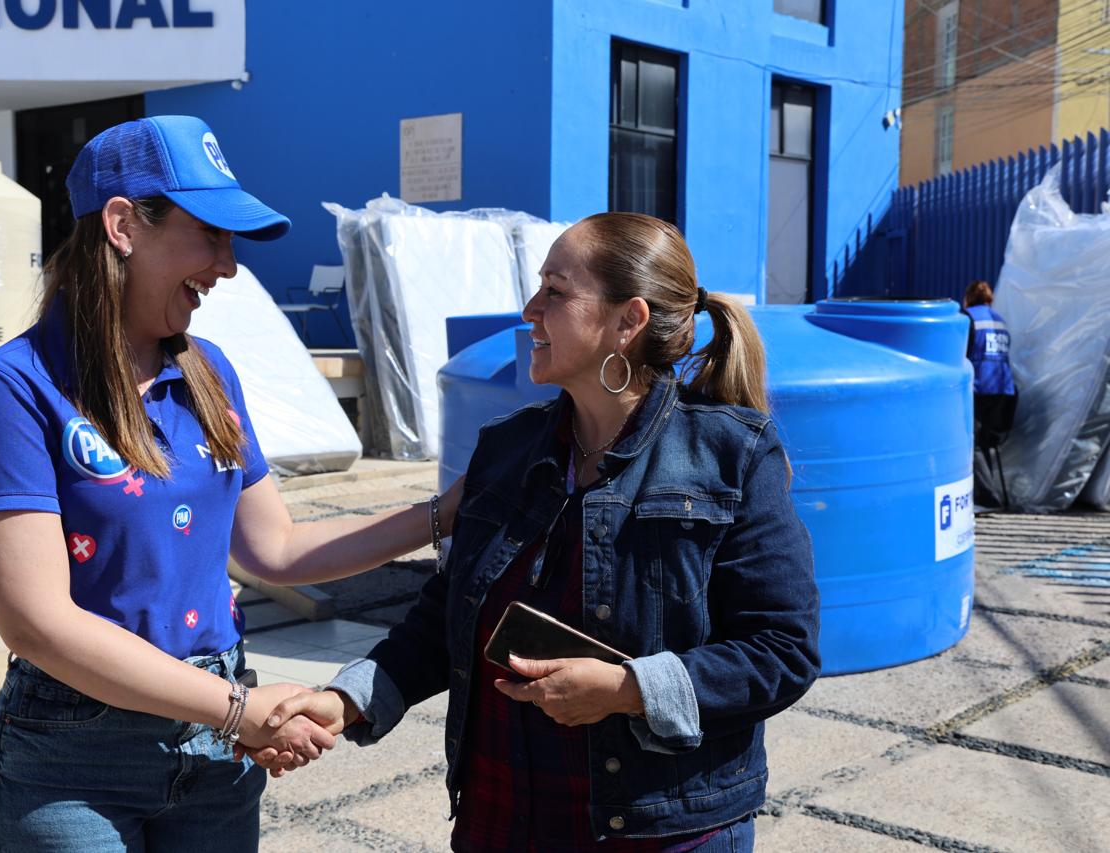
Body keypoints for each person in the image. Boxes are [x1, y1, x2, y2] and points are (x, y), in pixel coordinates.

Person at [0, 115, 460, 852]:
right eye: (212, 235)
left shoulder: (207, 369)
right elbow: (36, 622)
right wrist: (235, 709)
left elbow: (275, 549)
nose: (228, 266)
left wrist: (444, 512)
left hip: (216, 754)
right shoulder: (15, 386)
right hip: (75, 760)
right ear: (123, 225)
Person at [261, 213, 820, 851]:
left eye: (555, 291)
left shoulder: (731, 454)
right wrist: (347, 700)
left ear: (628, 320)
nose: (530, 310)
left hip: (657, 831)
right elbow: (449, 616)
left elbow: (782, 650)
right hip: (500, 820)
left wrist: (628, 691)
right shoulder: (507, 449)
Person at [963, 280, 1017, 508]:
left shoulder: (968, 318)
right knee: (984, 441)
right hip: (1003, 390)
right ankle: (985, 493)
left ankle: (988, 497)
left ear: (968, 298)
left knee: (972, 441)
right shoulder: (1000, 320)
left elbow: (961, 353)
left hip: (979, 387)